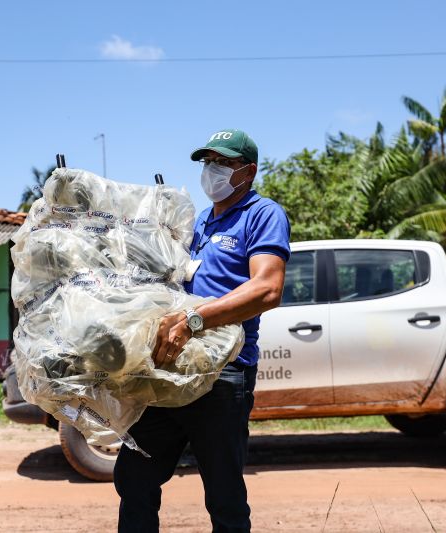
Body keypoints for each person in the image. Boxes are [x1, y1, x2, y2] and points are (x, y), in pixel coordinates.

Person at [113, 129, 291, 532]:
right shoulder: (198, 224)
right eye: (207, 162)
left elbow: (267, 288)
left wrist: (194, 322)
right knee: (134, 475)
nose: (212, 171)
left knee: (223, 494)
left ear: (249, 170)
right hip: (173, 369)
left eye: (223, 163)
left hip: (224, 374)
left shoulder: (262, 214)